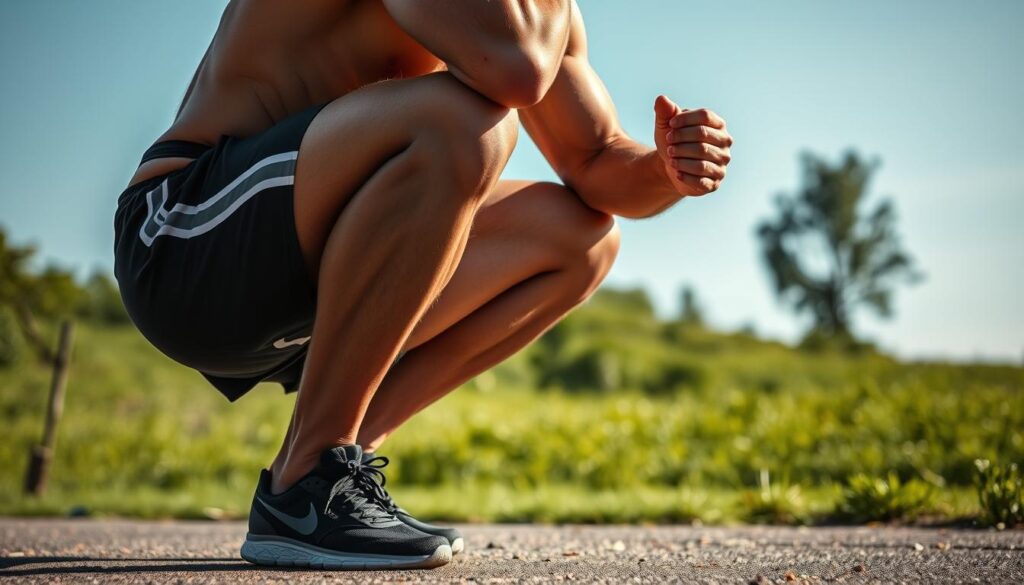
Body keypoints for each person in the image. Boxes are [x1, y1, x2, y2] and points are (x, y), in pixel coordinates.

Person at [113, 0, 733, 570]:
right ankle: (308, 474)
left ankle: (334, 467)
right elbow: (517, 71)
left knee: (580, 239)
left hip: (309, 278)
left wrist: (664, 168)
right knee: (465, 123)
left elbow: (596, 161)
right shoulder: (530, 21)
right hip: (185, 240)